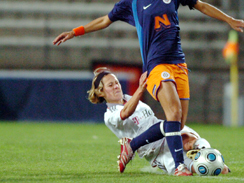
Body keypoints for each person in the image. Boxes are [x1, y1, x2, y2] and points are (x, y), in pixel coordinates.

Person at [54, 0, 244, 175]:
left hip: (179, 64)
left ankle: (133, 144)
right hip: (156, 65)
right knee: (173, 114)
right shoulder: (134, 0)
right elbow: (105, 20)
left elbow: (201, 5)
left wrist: (229, 19)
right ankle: (179, 166)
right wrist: (75, 31)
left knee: (177, 124)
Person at [87, 67, 230, 175]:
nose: (116, 86)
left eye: (116, 82)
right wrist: (141, 88)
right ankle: (204, 165)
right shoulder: (109, 116)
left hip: (165, 131)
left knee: (194, 141)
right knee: (188, 170)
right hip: (154, 150)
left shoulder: (130, 98)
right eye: (110, 85)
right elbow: (125, 113)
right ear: (100, 92)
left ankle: (211, 160)